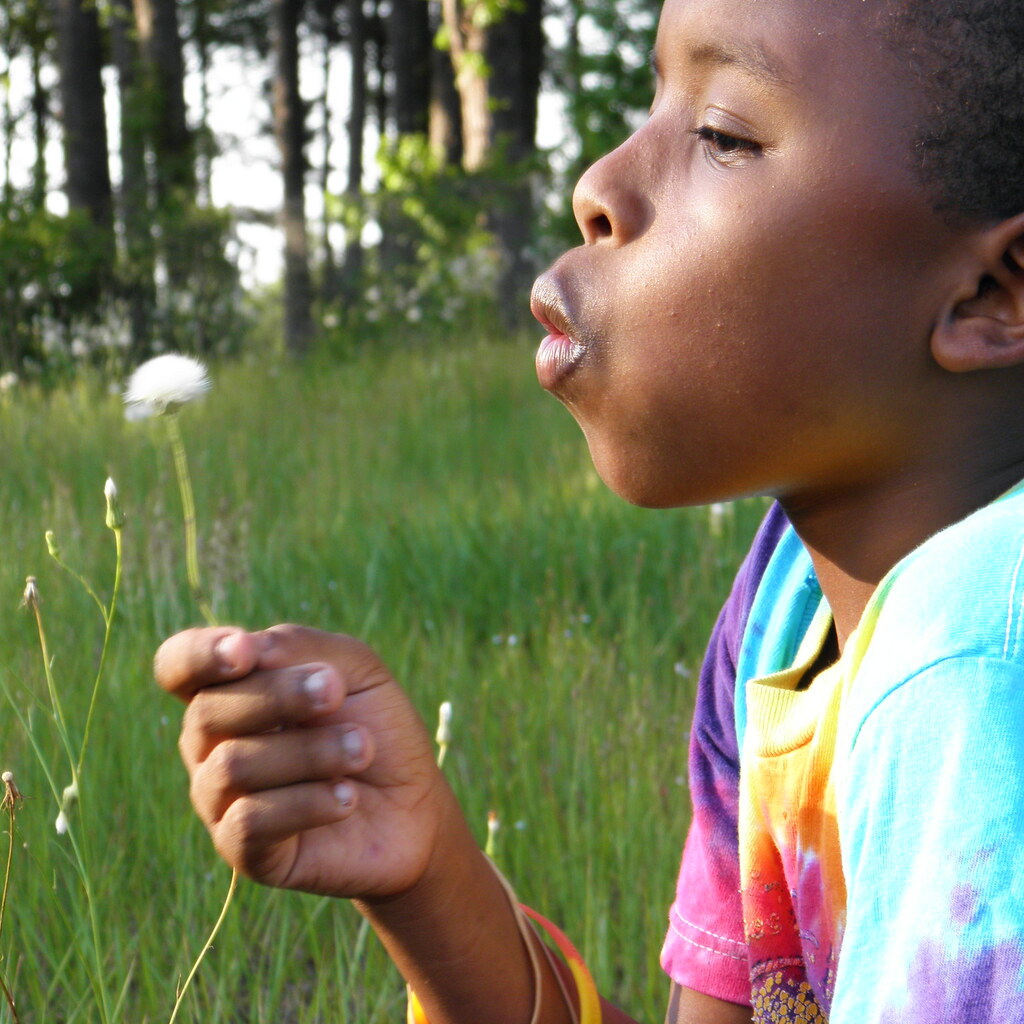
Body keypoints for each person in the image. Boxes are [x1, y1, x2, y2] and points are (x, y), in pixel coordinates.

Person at [153, 0, 1024, 1019]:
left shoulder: (979, 658)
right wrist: (429, 876)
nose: (597, 187)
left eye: (722, 138)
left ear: (992, 297)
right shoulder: (788, 606)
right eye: (649, 101)